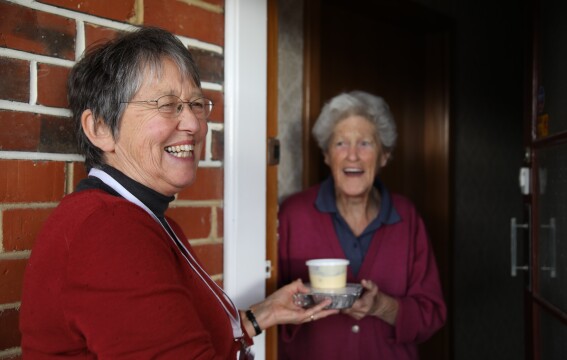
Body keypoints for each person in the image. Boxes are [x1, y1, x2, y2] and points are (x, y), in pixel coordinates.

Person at [19, 26, 338, 359]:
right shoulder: (107, 230)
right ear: (100, 128)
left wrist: (264, 314)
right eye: (168, 105)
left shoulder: (140, 217)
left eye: (196, 104)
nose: (194, 124)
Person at [277, 90, 447, 359]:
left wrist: (382, 306)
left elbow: (431, 314)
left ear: (384, 157)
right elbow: (271, 313)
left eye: (365, 144)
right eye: (341, 143)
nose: (352, 156)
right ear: (326, 155)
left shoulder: (406, 217)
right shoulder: (292, 215)